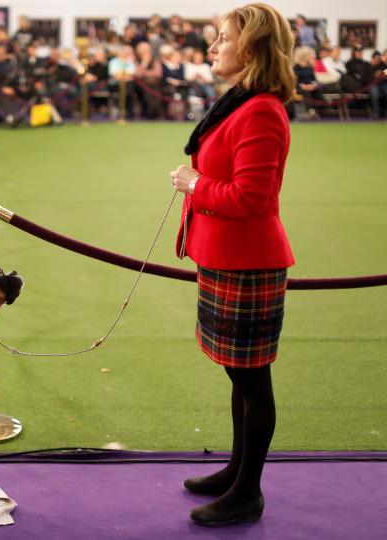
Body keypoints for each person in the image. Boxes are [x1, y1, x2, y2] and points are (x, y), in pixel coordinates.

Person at [169, 3, 296, 527]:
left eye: (223, 37)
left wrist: (193, 183)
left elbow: (251, 199)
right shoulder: (241, 101)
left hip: (248, 262)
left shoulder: (262, 109)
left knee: (251, 381)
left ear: (251, 48)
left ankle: (248, 491)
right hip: (227, 258)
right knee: (239, 376)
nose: (213, 46)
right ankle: (236, 470)